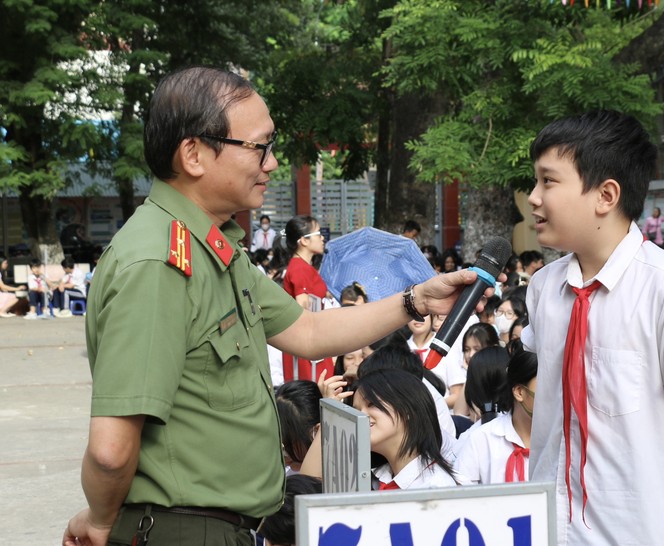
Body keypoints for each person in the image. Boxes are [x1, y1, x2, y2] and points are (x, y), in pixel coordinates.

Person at [62, 66, 493, 546]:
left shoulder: (213, 251)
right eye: (258, 147)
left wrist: (415, 300)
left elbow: (307, 332)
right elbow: (110, 451)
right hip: (180, 530)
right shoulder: (160, 264)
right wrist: (101, 522)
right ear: (194, 153)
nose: (270, 163)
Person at [523, 110, 664, 545]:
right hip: (552, 530)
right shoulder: (543, 288)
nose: (534, 198)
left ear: (606, 195)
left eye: (548, 181)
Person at [353, 368, 461, 490]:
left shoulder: (436, 487)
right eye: (356, 410)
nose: (361, 416)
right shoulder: (373, 478)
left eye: (371, 404)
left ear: (407, 409)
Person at [455, 345, 538, 484]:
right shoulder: (481, 439)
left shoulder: (564, 440)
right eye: (545, 388)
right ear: (519, 392)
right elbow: (460, 497)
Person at [281, 214, 334, 381]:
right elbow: (302, 304)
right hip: (308, 343)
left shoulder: (302, 266)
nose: (322, 238)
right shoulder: (299, 268)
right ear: (304, 241)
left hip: (311, 339)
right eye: (318, 234)